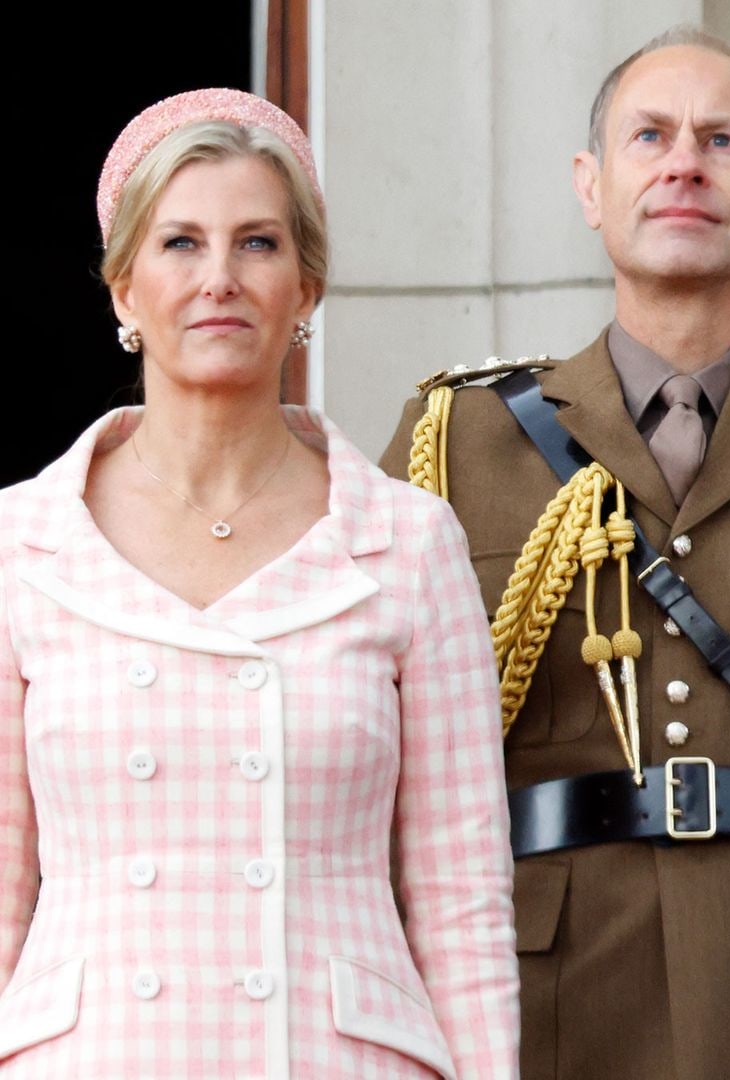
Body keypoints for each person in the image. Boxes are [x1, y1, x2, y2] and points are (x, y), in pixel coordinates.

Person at [379, 26, 730, 1080]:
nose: (684, 161)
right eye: (650, 136)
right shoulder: (454, 445)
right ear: (590, 187)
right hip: (542, 1008)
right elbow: (381, 797)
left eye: (720, 141)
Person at [0, 89, 518, 1078]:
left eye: (258, 244)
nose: (220, 280)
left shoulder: (408, 543)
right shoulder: (20, 543)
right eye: (180, 243)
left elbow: (461, 903)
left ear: (308, 288)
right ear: (123, 289)